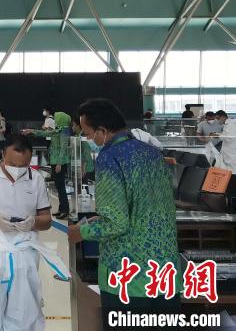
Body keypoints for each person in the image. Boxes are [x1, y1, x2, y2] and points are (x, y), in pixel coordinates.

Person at [68, 98, 179, 330]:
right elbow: (147, 205)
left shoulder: (109, 158)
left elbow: (116, 224)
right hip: (165, 273)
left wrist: (81, 232)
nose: (89, 139)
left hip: (129, 279)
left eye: (89, 134)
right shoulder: (153, 154)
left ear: (102, 131)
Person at [0, 134, 68, 331]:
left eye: (24, 165)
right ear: (3, 155)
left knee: (25, 314)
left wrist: (33, 222)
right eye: (13, 164)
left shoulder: (36, 179)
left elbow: (46, 220)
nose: (18, 169)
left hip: (24, 253)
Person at [24, 112, 72, 219]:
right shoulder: (58, 130)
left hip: (60, 163)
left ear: (61, 119)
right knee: (58, 186)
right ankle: (62, 209)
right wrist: (32, 131)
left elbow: (63, 148)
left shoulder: (64, 131)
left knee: (61, 187)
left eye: (57, 118)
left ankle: (65, 210)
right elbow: (45, 133)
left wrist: (59, 163)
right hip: (55, 161)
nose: (55, 120)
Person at [72, 116, 95, 182]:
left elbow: (86, 151)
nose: (72, 127)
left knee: (84, 185)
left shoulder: (83, 136)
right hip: (80, 166)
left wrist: (83, 167)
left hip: (85, 168)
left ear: (78, 126)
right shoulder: (77, 136)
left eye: (73, 125)